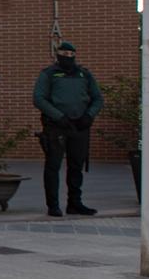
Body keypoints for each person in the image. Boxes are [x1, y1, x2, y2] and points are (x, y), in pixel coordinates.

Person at [33, 39, 102, 217]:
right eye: (64, 56)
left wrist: (88, 116)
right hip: (56, 127)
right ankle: (53, 205)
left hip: (79, 126)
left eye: (71, 56)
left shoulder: (84, 75)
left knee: (76, 166)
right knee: (53, 166)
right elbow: (39, 99)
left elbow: (97, 98)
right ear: (58, 56)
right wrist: (59, 116)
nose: (68, 59)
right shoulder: (49, 74)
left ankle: (75, 203)